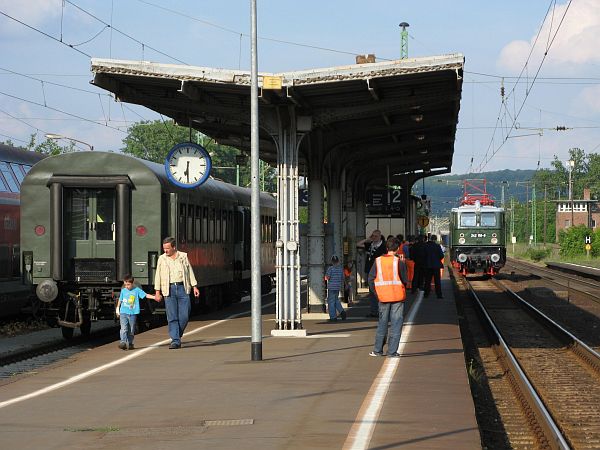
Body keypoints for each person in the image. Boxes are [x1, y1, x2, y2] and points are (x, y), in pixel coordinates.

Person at [154, 237, 200, 349]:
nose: (165, 250)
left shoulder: (183, 256)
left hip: (182, 288)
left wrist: (194, 286)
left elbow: (189, 271)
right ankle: (175, 340)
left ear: (174, 247)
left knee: (184, 315)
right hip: (168, 289)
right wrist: (157, 291)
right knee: (172, 316)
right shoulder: (162, 259)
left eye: (168, 248)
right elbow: (158, 275)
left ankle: (177, 335)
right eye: (164, 248)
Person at [368, 237, 408, 357]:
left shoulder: (378, 261)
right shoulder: (399, 262)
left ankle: (377, 350)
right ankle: (392, 352)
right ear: (397, 248)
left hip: (383, 298)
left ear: (386, 248)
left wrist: (377, 293)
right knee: (396, 324)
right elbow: (405, 280)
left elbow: (370, 279)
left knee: (382, 323)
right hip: (397, 297)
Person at [115, 274, 155, 350]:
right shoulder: (123, 290)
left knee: (131, 329)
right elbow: (120, 299)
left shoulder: (137, 290)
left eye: (128, 285)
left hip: (132, 313)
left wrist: (154, 297)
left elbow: (145, 295)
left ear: (132, 283)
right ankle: (122, 342)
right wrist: (117, 308)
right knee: (124, 328)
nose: (127, 286)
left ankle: (130, 343)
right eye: (125, 284)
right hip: (123, 312)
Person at [357, 229, 387, 317]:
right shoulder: (370, 244)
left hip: (379, 271)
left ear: (380, 236)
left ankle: (381, 310)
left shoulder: (383, 247)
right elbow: (358, 244)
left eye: (376, 236)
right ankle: (374, 311)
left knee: (379, 291)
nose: (374, 238)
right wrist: (367, 239)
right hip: (370, 270)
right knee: (372, 292)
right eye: (373, 236)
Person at [324, 255, 347, 322]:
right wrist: (345, 284)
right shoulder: (340, 269)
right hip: (337, 287)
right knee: (336, 300)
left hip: (331, 287)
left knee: (331, 302)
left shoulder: (330, 269)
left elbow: (327, 277)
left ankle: (333, 317)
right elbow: (343, 278)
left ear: (332, 261)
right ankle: (342, 312)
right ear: (338, 261)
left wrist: (326, 277)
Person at [423, 234, 445, 299]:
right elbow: (442, 255)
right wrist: (437, 259)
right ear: (435, 239)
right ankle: (439, 295)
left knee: (427, 281)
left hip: (428, 266)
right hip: (436, 266)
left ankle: (426, 294)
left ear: (430, 239)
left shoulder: (426, 246)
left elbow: (423, 255)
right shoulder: (437, 246)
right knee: (437, 281)